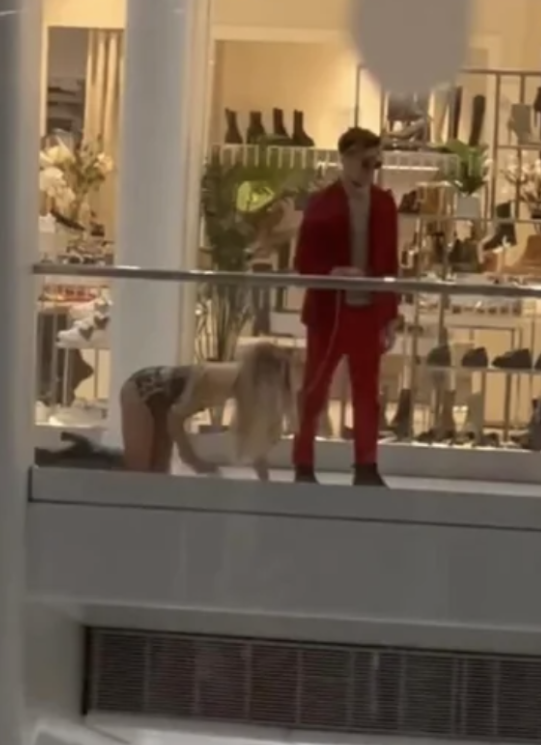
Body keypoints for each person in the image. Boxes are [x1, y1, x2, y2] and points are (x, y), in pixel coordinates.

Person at [292, 126, 400, 486]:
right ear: (346, 159)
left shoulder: (385, 203)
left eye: (375, 162)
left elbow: (390, 265)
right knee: (315, 389)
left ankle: (366, 466)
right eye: (365, 162)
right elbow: (303, 261)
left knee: (367, 393)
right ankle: (303, 463)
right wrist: (331, 272)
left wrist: (390, 315)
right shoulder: (322, 203)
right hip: (329, 313)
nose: (371, 170)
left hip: (368, 312)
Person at [119, 343, 295, 480]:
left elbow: (253, 439)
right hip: (142, 389)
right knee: (139, 471)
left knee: (157, 473)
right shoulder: (221, 379)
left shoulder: (245, 389)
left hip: (163, 397)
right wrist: (193, 460)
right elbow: (174, 418)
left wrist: (266, 482)